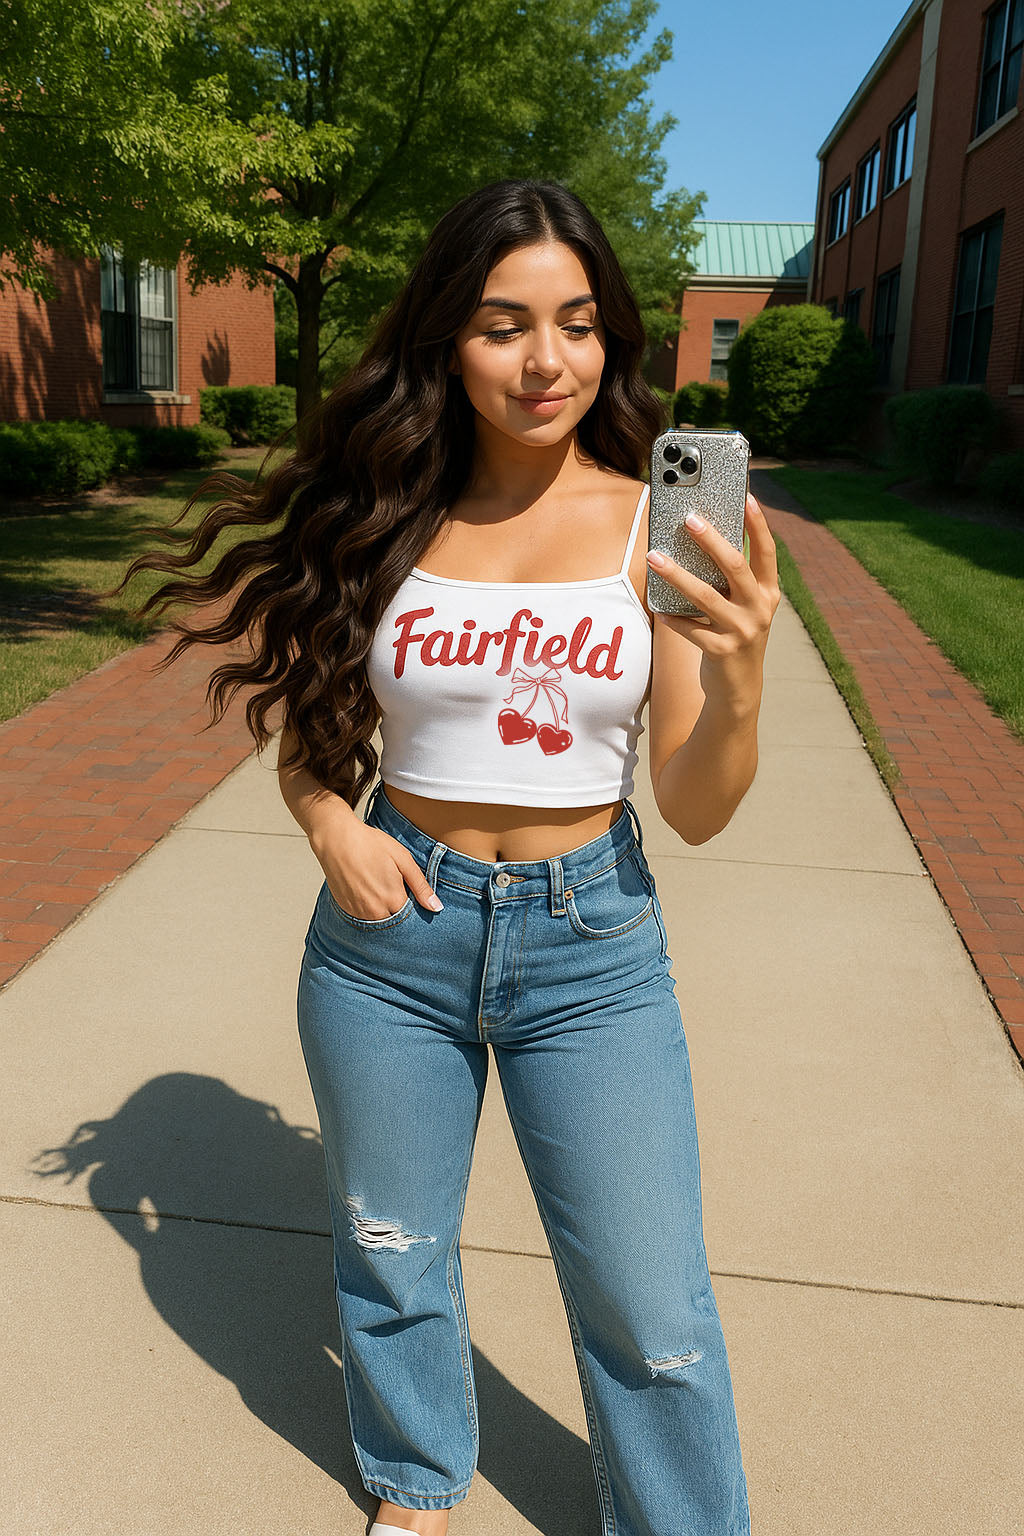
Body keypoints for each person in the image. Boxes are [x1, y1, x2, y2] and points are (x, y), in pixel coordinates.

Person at [119, 178, 779, 1536]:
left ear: (611, 338)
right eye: (502, 325)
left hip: (590, 946)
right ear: (445, 343)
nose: (548, 361)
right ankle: (417, 1486)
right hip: (390, 943)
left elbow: (699, 808)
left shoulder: (659, 531)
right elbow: (309, 730)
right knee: (392, 1253)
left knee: (651, 1305)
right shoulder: (392, 514)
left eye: (577, 323)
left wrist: (744, 679)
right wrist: (327, 829)